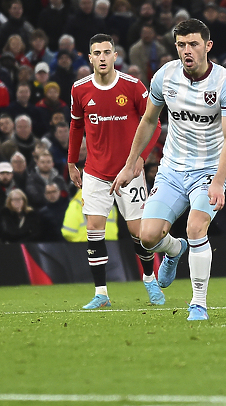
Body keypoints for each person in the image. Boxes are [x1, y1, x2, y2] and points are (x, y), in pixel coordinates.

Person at [111, 19, 226, 321]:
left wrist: (219, 182)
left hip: (209, 170)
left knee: (196, 227)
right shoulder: (165, 76)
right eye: (181, 45)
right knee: (147, 237)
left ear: (208, 46)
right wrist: (131, 164)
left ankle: (198, 303)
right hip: (171, 169)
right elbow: (147, 121)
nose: (187, 50)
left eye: (194, 44)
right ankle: (174, 249)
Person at [67, 33, 161, 309]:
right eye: (97, 53)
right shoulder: (79, 89)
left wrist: (141, 159)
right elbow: (75, 127)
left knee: (139, 233)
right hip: (95, 171)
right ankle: (101, 294)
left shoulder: (132, 86)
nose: (102, 57)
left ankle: (149, 278)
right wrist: (72, 162)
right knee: (94, 229)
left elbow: (154, 123)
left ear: (115, 55)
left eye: (107, 52)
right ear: (90, 58)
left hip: (128, 171)